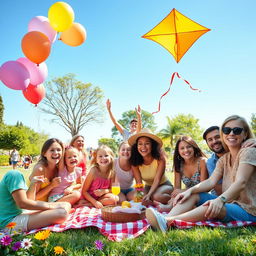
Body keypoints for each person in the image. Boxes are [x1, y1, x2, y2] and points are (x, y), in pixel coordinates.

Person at [146, 115, 256, 232]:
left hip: (249, 209)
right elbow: (210, 181)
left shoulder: (249, 151)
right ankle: (165, 219)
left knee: (210, 205)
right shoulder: (224, 159)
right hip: (230, 202)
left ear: (245, 134)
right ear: (223, 134)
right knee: (193, 194)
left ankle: (168, 221)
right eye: (226, 130)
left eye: (237, 130)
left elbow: (241, 182)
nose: (231, 133)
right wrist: (189, 191)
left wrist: (220, 200)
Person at [0, 169, 71, 233]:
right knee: (62, 213)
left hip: (20, 213)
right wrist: (51, 206)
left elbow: (29, 200)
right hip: (8, 223)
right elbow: (23, 204)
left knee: (66, 204)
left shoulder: (16, 176)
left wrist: (33, 184)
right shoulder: (14, 175)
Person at [155, 136, 208, 212]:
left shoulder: (202, 161)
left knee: (182, 199)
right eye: (182, 148)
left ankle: (169, 207)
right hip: (187, 194)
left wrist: (183, 191)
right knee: (175, 195)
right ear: (178, 151)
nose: (186, 150)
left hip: (201, 195)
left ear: (193, 147)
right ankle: (170, 206)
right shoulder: (179, 165)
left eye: (188, 147)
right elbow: (177, 188)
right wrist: (176, 195)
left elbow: (204, 188)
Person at [203, 126, 256, 195]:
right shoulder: (211, 162)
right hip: (222, 198)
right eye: (210, 140)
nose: (214, 141)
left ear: (224, 136)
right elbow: (218, 189)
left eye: (217, 137)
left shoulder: (245, 149)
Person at [128, 128, 173, 205]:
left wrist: (149, 195)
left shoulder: (160, 158)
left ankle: (173, 199)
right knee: (132, 196)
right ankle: (152, 201)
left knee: (156, 196)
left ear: (152, 145)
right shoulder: (135, 161)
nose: (143, 147)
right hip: (148, 187)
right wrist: (140, 196)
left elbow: (157, 179)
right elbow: (139, 182)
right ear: (136, 146)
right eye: (140, 144)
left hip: (163, 185)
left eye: (147, 143)